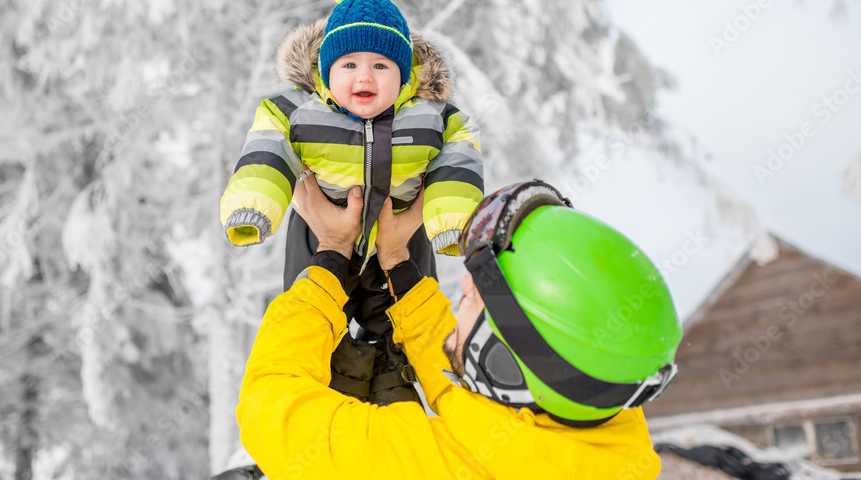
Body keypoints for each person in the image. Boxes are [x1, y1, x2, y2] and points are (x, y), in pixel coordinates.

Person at [236, 176, 682, 479]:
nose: (463, 282)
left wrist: (331, 254)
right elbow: (478, 401)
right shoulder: (598, 414)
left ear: (503, 365)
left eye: (473, 297)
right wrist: (397, 265)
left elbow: (270, 408)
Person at [220, 0, 484, 404]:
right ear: (325, 72)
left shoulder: (430, 115)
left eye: (382, 64)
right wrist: (256, 201)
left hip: (403, 238)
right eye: (349, 64)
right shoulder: (300, 110)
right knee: (318, 325)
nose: (364, 76)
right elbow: (269, 144)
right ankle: (332, 400)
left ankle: (395, 401)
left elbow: (457, 155)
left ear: (404, 76)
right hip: (318, 238)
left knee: (404, 335)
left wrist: (452, 218)